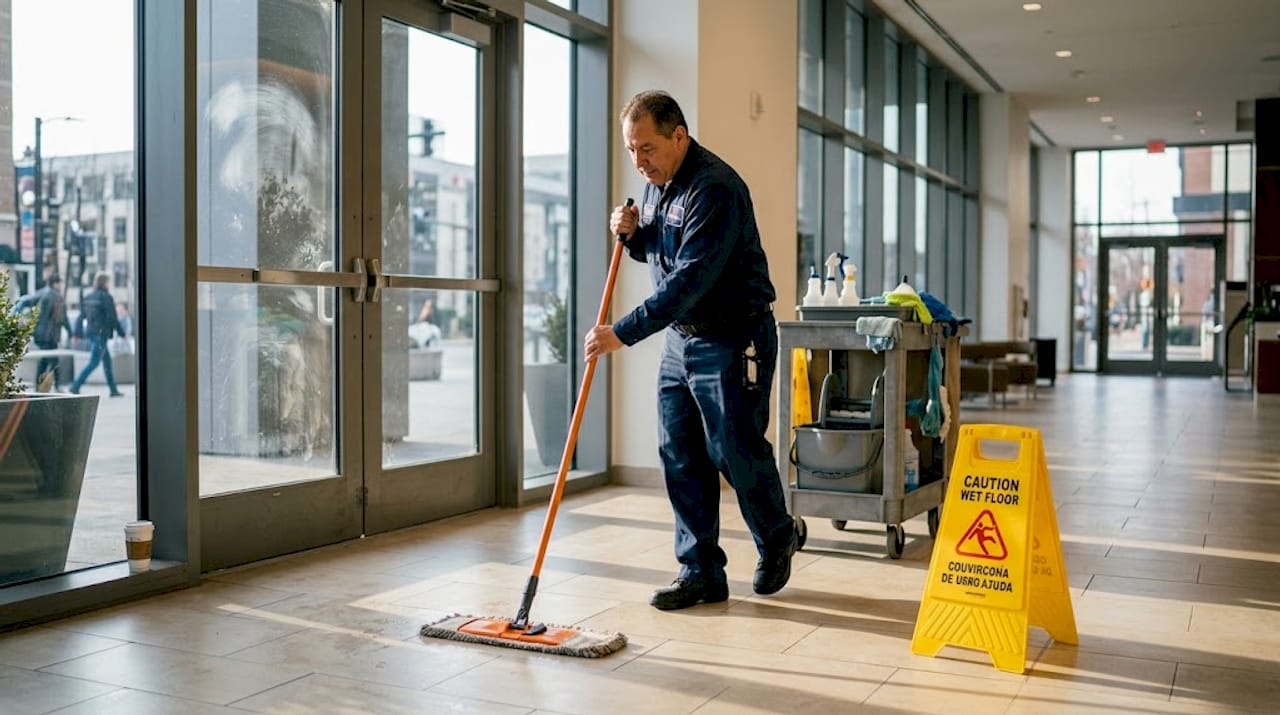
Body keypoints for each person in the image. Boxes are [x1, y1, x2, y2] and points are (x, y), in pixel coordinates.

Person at [583, 90, 799, 610]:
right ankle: (700, 570)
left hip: (732, 334)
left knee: (733, 448)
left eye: (648, 148)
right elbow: (662, 250)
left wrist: (624, 331)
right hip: (683, 340)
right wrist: (635, 236)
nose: (640, 161)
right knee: (679, 451)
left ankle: (777, 535)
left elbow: (690, 280)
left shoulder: (715, 188)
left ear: (679, 136)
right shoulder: (658, 185)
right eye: (632, 149)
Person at [70, 272, 126, 397]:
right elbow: (112, 318)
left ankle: (113, 389)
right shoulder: (107, 297)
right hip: (101, 334)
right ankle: (75, 386)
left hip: (92, 333)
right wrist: (122, 333)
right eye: (109, 282)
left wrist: (77, 334)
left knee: (107, 361)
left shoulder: (89, 297)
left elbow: (81, 316)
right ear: (105, 283)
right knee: (94, 362)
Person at [13, 274, 72, 386]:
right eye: (59, 283)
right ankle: (56, 384)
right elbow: (62, 317)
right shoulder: (56, 297)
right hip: (50, 334)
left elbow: (24, 302)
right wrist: (70, 331)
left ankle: (40, 384)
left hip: (40, 333)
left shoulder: (40, 293)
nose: (60, 286)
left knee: (45, 359)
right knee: (53, 359)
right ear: (55, 284)